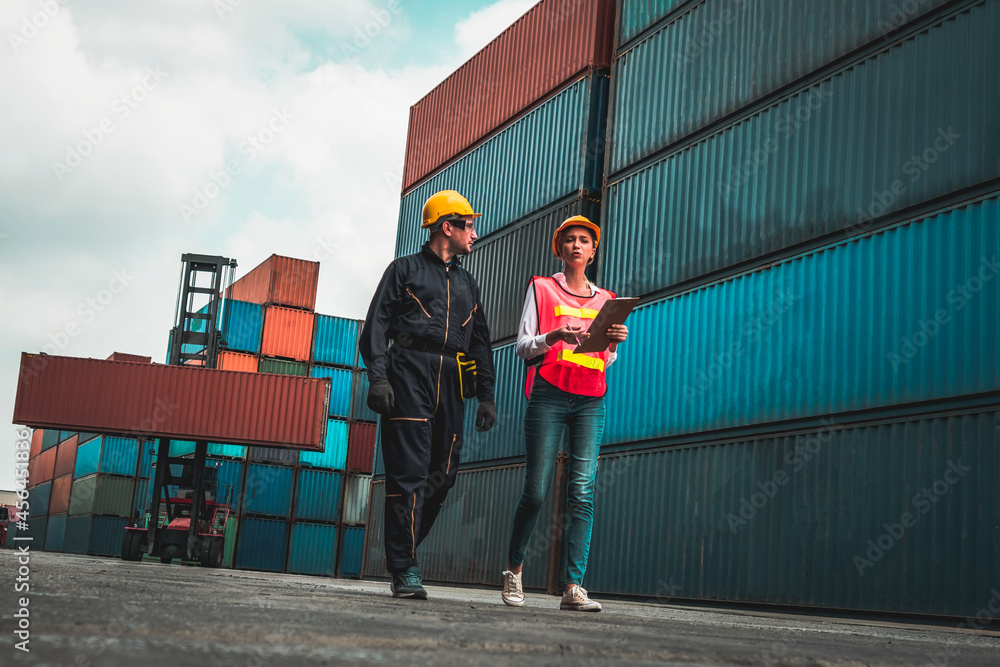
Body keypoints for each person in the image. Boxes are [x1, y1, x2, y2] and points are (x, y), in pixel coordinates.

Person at [360, 189, 496, 600]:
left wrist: (486, 394)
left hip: (451, 382)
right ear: (446, 227)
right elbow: (376, 327)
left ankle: (406, 552)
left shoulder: (469, 284)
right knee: (408, 477)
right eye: (468, 225)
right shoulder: (403, 270)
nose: (474, 233)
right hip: (408, 375)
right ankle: (404, 568)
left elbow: (480, 343)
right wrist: (379, 378)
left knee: (443, 476)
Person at [500, 215, 628, 612]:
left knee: (582, 493)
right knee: (536, 490)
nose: (576, 245)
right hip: (549, 395)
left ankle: (574, 586)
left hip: (590, 399)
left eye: (584, 240)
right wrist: (553, 336)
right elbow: (522, 347)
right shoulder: (541, 288)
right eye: (569, 239)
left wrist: (614, 343)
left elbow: (604, 360)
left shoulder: (608, 300)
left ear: (594, 250)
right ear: (561, 248)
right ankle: (514, 571)